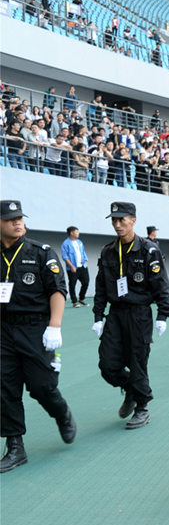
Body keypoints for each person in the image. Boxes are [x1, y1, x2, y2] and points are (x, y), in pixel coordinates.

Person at [1, 200, 76, 473]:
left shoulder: (41, 252)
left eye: (19, 217)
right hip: (3, 329)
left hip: (36, 328)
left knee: (41, 385)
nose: (17, 222)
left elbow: (57, 289)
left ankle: (61, 413)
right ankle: (15, 446)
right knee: (5, 388)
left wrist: (54, 326)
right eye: (10, 219)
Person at [93, 202, 169, 430]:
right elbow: (100, 286)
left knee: (137, 361)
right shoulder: (108, 251)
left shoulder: (148, 250)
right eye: (114, 220)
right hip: (116, 314)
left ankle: (142, 408)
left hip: (139, 314)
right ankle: (130, 388)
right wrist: (98, 315)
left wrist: (163, 314)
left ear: (133, 220)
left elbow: (161, 283)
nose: (117, 225)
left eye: (122, 220)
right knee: (108, 364)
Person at [60, 226, 89, 308]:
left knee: (86, 282)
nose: (78, 233)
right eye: (76, 232)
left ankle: (82, 298)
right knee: (72, 284)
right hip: (72, 268)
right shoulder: (65, 244)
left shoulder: (80, 242)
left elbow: (83, 252)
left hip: (82, 266)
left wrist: (85, 261)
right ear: (71, 233)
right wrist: (72, 266)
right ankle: (74, 301)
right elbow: (65, 257)